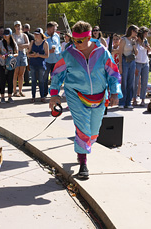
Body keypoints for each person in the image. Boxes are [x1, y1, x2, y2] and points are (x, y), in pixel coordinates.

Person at [49, 21, 122, 179]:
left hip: (100, 96)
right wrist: (54, 94)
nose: (76, 43)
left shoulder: (102, 52)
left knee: (94, 133)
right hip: (75, 94)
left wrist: (115, 92)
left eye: (80, 40)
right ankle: (83, 163)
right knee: (84, 130)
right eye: (74, 40)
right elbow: (57, 74)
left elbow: (113, 73)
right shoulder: (68, 53)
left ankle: (82, 146)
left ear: (89, 37)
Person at [118, 25, 139, 108]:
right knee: (124, 82)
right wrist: (120, 66)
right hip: (124, 61)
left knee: (131, 82)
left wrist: (134, 45)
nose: (137, 33)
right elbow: (120, 53)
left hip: (132, 61)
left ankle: (128, 102)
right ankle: (122, 102)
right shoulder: (123, 40)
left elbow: (136, 53)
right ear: (132, 31)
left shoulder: (134, 40)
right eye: (136, 31)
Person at [27, 28, 49, 103]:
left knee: (41, 81)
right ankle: (33, 96)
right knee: (33, 81)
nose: (36, 35)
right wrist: (33, 55)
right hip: (33, 64)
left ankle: (42, 96)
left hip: (41, 65)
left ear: (41, 34)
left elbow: (47, 55)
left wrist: (39, 55)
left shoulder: (45, 43)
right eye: (35, 34)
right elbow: (28, 53)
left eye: (37, 34)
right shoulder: (32, 42)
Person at [0, 28, 18, 104]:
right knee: (2, 80)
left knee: (10, 80)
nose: (5, 36)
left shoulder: (14, 43)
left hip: (11, 64)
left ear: (10, 35)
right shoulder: (1, 42)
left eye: (7, 35)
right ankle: (2, 97)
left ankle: (10, 96)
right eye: (4, 35)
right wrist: (1, 56)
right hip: (2, 64)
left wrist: (12, 55)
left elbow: (17, 53)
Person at [133, 26, 151, 106]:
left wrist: (147, 48)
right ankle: (134, 99)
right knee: (136, 82)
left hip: (145, 63)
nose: (146, 35)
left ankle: (143, 99)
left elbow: (149, 51)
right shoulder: (135, 41)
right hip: (137, 62)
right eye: (145, 33)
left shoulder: (145, 41)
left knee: (144, 82)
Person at [43, 21, 61, 98]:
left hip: (56, 60)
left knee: (55, 78)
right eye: (53, 29)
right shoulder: (43, 36)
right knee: (45, 77)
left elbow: (59, 46)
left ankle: (55, 93)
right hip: (46, 60)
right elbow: (40, 48)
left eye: (55, 29)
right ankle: (44, 93)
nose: (54, 30)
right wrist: (48, 51)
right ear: (48, 29)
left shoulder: (57, 36)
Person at [12, 21, 29, 97]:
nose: (18, 27)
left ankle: (20, 90)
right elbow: (13, 45)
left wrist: (20, 46)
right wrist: (20, 46)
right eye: (16, 26)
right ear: (14, 27)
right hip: (16, 54)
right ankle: (14, 91)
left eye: (19, 26)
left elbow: (27, 44)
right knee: (16, 73)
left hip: (23, 54)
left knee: (21, 73)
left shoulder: (24, 35)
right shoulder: (13, 35)